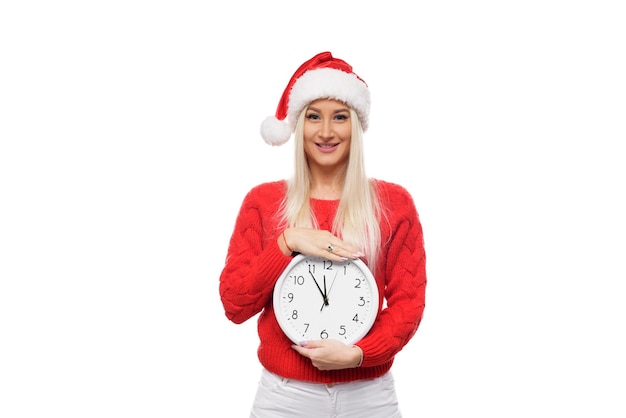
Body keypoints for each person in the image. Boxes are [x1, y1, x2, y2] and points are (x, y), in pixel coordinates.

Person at [219, 51, 427, 418]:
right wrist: (287, 242)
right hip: (285, 398)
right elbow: (235, 304)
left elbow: (408, 304)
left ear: (356, 125)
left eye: (340, 117)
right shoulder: (264, 203)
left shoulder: (393, 204)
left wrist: (361, 353)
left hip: (369, 395)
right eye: (314, 116)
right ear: (298, 125)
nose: (327, 132)